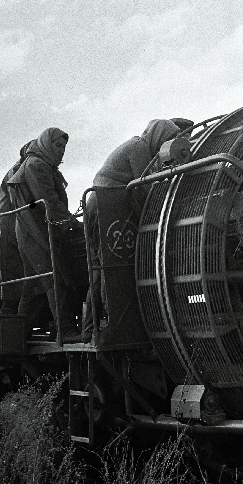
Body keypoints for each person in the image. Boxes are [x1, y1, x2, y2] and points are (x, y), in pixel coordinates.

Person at [82, 119, 181, 340]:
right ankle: (111, 325)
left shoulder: (137, 145)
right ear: (157, 135)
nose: (167, 145)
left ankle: (90, 328)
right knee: (110, 267)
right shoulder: (140, 147)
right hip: (106, 206)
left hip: (102, 204)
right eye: (167, 139)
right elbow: (144, 185)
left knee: (100, 268)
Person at [7, 127, 80, 341]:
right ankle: (65, 330)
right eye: (57, 145)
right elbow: (47, 198)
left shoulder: (40, 163)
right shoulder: (36, 165)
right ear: (47, 144)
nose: (61, 151)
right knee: (54, 277)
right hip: (36, 231)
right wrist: (72, 223)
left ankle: (16, 339)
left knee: (33, 287)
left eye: (64, 147)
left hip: (34, 229)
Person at [0, 141, 33, 315]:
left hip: (9, 226)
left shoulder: (19, 168)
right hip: (10, 228)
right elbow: (25, 200)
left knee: (14, 282)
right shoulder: (19, 171)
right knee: (13, 283)